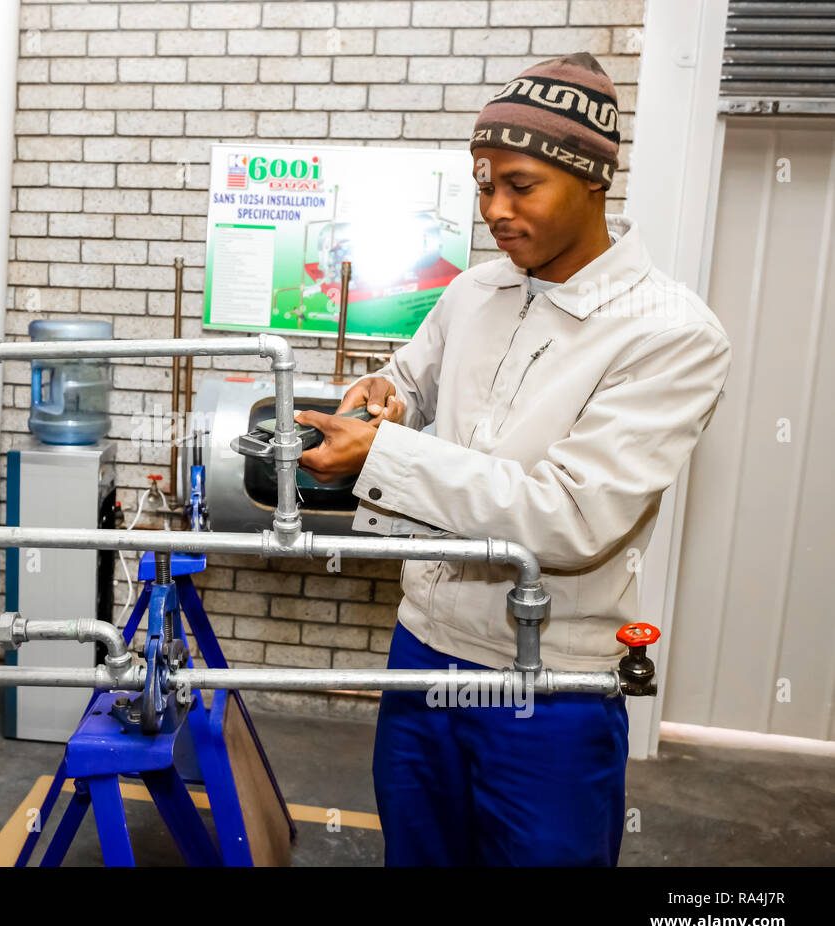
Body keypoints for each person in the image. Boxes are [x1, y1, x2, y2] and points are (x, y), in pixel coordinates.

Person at [295, 52, 732, 866]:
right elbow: (406, 382)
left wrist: (382, 452)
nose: (494, 207)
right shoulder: (474, 293)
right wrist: (379, 398)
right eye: (482, 182)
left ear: (594, 181)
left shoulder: (670, 332)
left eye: (520, 185)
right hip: (423, 647)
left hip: (547, 681)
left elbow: (569, 518)